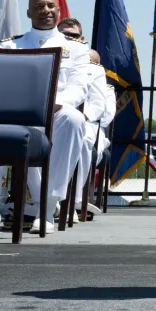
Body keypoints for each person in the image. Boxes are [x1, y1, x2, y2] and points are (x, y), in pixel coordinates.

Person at [0, 0, 96, 235]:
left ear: (58, 12)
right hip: (14, 112)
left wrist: (50, 105)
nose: (46, 10)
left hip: (54, 112)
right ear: (29, 12)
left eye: (51, 6)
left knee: (74, 119)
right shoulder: (9, 46)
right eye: (39, 6)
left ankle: (48, 207)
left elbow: (79, 87)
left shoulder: (77, 49)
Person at [54, 18, 115, 221]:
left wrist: (78, 115)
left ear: (81, 38)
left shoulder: (93, 68)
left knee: (83, 140)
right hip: (48, 116)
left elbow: (99, 105)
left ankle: (72, 198)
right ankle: (38, 198)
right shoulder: (47, 54)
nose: (67, 39)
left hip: (83, 120)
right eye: (63, 34)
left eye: (71, 36)